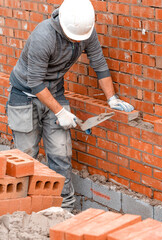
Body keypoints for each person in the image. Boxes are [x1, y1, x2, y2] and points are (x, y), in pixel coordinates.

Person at [6, 0, 134, 210]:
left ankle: (65, 210)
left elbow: (99, 64)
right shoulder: (43, 35)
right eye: (72, 37)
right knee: (26, 155)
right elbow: (35, 83)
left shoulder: (85, 31)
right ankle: (23, 210)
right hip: (25, 95)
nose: (77, 41)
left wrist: (112, 99)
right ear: (63, 25)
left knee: (60, 153)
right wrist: (61, 112)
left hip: (55, 92)